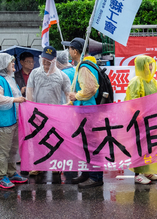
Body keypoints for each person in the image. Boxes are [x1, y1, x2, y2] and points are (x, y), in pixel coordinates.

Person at [26, 46, 71, 176]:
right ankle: (38, 165)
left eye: (49, 61)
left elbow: (68, 94)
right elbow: (30, 92)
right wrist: (30, 108)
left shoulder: (62, 76)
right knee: (38, 139)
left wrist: (67, 106)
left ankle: (57, 164)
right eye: (44, 59)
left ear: (55, 60)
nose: (46, 63)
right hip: (38, 113)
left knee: (55, 139)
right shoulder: (34, 73)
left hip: (55, 114)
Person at [125, 55, 157, 184]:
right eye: (147, 64)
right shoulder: (136, 81)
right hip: (139, 120)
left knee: (149, 146)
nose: (150, 67)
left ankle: (147, 171)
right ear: (141, 66)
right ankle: (137, 174)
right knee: (139, 147)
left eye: (151, 64)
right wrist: (139, 116)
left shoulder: (152, 81)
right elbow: (133, 100)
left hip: (151, 120)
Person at [69, 54, 103, 188]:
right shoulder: (89, 66)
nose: (69, 51)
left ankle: (96, 177)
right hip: (85, 111)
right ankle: (87, 173)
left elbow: (89, 89)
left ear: (75, 51)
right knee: (85, 145)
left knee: (91, 145)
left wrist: (75, 96)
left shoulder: (84, 66)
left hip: (87, 112)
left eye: (70, 48)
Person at [0, 53, 28, 188]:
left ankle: (11, 173)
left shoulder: (10, 78)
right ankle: (1, 175)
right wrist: (15, 100)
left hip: (13, 120)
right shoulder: (1, 79)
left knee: (12, 149)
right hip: (3, 122)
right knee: (3, 151)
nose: (13, 65)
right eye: (10, 62)